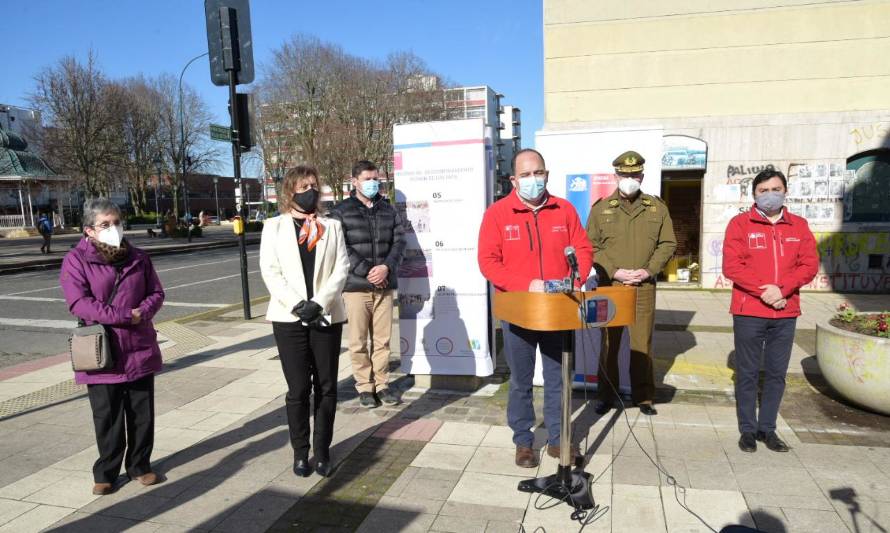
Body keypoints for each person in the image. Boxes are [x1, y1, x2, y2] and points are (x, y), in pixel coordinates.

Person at [477, 148, 593, 468]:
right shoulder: (498, 214)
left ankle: (558, 440)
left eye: (537, 173)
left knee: (558, 379)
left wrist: (576, 277)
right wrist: (525, 285)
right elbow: (488, 262)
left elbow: (582, 249)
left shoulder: (564, 210)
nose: (533, 180)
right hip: (518, 311)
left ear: (547, 174)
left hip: (558, 311)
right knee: (521, 380)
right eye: (525, 175)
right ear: (514, 180)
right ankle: (523, 441)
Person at [59, 198, 165, 495]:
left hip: (138, 345)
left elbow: (156, 292)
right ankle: (106, 471)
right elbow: (79, 302)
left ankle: (140, 465)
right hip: (101, 349)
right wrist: (124, 316)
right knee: (107, 416)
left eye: (116, 222)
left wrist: (142, 312)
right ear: (89, 230)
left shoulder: (139, 257)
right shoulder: (76, 260)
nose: (113, 228)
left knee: (142, 413)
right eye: (105, 224)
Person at [260, 165, 349, 477]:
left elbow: (341, 269)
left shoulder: (332, 226)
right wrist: (298, 305)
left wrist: (319, 303)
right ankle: (300, 452)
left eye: (313, 185)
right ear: (290, 192)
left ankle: (323, 451)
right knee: (298, 389)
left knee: (326, 386)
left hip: (325, 317)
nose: (310, 191)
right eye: (302, 187)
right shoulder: (273, 227)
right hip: (289, 318)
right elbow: (270, 271)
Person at [722, 169, 818, 453]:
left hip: (785, 312)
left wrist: (783, 289)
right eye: (763, 191)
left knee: (776, 374)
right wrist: (765, 292)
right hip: (750, 310)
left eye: (775, 189)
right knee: (748, 372)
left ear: (785, 191)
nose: (770, 195)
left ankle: (768, 429)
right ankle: (748, 431)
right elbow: (732, 266)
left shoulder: (798, 226)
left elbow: (809, 265)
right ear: (754, 195)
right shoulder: (740, 224)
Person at [586, 151, 676, 416]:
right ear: (616, 176)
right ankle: (606, 395)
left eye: (634, 174)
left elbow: (668, 243)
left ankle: (644, 397)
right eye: (624, 175)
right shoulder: (601, 208)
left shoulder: (657, 208)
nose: (629, 179)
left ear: (642, 176)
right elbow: (590, 245)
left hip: (643, 287)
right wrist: (616, 272)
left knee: (641, 344)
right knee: (608, 345)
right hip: (610, 287)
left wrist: (648, 271)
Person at [329, 160, 406, 409]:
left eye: (376, 179)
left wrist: (386, 268)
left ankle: (382, 384)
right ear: (354, 181)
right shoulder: (340, 211)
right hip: (356, 287)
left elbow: (399, 242)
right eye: (367, 178)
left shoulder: (389, 210)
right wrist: (367, 271)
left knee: (383, 340)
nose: (373, 183)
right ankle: (364, 386)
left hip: (384, 284)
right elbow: (340, 247)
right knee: (358, 341)